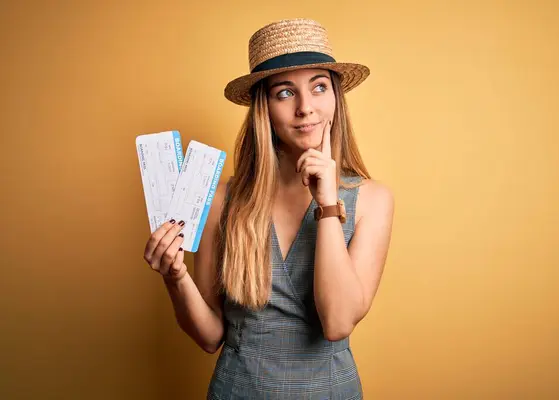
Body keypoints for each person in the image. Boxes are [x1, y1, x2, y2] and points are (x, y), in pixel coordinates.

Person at [143, 18, 394, 399]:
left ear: (336, 98)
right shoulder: (224, 201)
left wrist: (327, 205)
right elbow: (211, 337)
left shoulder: (373, 200)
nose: (305, 108)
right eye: (284, 93)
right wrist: (175, 276)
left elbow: (338, 323)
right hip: (238, 389)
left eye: (319, 87)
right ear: (264, 108)